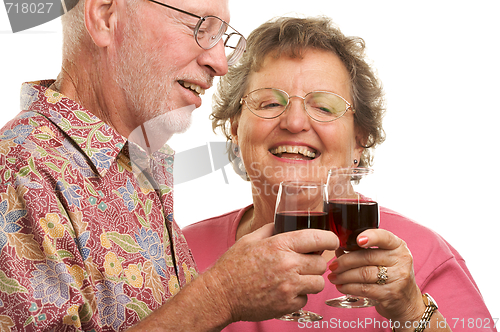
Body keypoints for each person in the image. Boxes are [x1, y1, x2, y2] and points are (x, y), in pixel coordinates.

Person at [0, 1, 339, 330]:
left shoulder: (134, 165)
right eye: (199, 26)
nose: (221, 63)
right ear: (105, 17)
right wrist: (220, 297)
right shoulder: (19, 173)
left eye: (222, 36)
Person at [183, 16, 497, 331]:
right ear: (236, 128)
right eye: (268, 103)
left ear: (360, 139)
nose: (294, 123)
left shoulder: (424, 256)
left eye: (324, 107)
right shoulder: (182, 251)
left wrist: (412, 310)